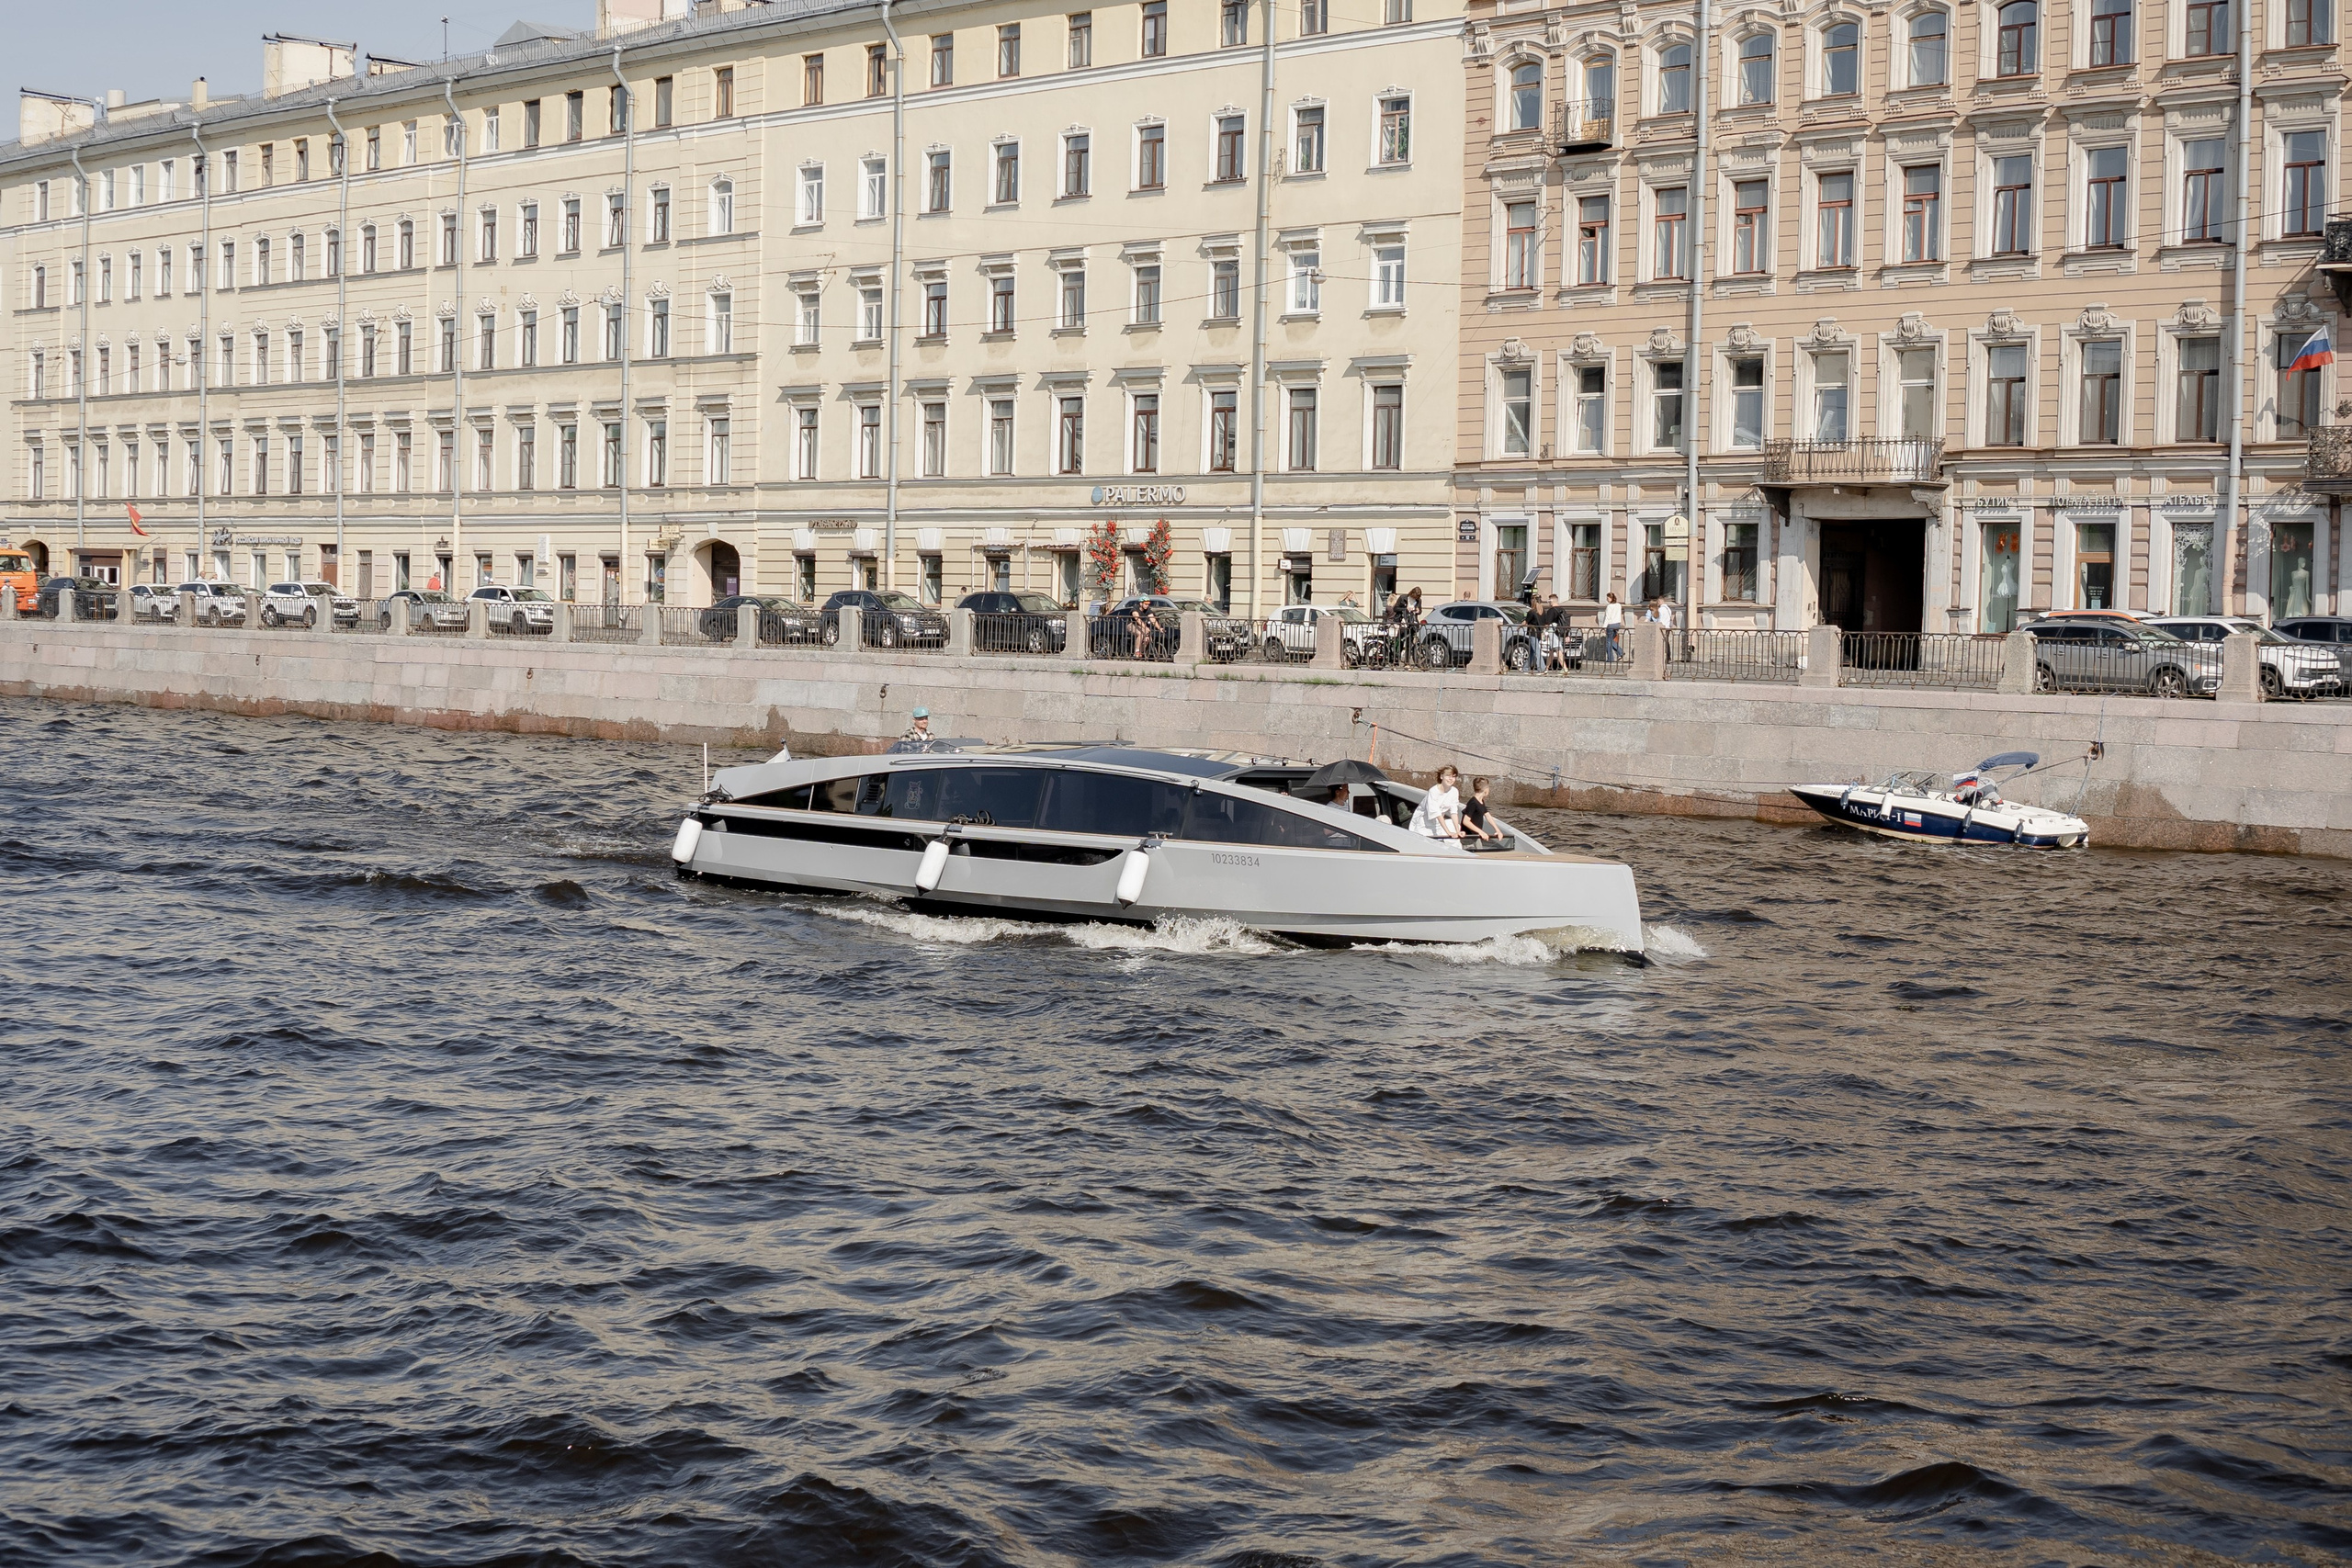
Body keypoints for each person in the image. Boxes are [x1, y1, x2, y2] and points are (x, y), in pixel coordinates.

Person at [1409, 764, 1464, 840]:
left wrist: (1457, 831)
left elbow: (1454, 812)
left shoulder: (1454, 791)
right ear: (1442, 777)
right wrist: (1449, 833)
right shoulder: (1433, 791)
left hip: (1437, 824)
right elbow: (1437, 813)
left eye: (1453, 776)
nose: (1451, 779)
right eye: (1448, 776)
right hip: (1423, 824)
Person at [1461, 776, 1504, 845]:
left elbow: (1487, 815)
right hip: (1468, 838)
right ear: (1485, 790)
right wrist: (1481, 832)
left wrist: (1498, 830)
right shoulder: (1473, 803)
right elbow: (1466, 821)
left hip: (1476, 836)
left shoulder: (1481, 801)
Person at [1600, 592, 1624, 661]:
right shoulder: (1619, 605)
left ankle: (1610, 658)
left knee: (1608, 642)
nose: (1607, 599)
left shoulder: (1609, 606)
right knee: (1611, 640)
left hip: (1611, 624)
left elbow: (1608, 617)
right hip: (1617, 624)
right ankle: (1620, 652)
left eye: (1608, 598)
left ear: (1611, 598)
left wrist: (1604, 627)